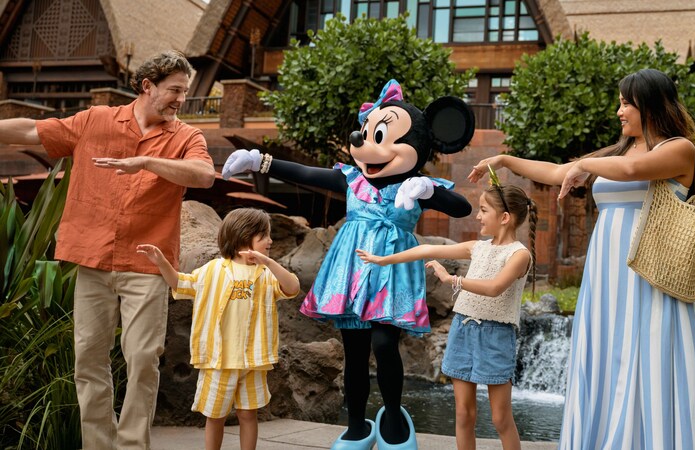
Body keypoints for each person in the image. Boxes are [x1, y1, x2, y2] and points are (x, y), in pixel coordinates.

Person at [469, 68, 695, 449]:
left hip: (649, 277)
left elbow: (631, 171)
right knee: (608, 361)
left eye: (627, 103)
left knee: (651, 359)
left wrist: (584, 165)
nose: (619, 111)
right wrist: (507, 160)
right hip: (605, 280)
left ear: (651, 105)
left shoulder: (679, 149)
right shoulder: (619, 150)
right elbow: (559, 171)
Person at [221, 79, 474, 449]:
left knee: (386, 343)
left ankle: (392, 419)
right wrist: (261, 160)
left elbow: (462, 207)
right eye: (367, 134)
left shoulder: (415, 186)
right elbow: (308, 175)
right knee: (354, 349)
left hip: (392, 269)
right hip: (352, 268)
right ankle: (357, 426)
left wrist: (428, 190)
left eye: (382, 136)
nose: (366, 144)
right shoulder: (352, 179)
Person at [0, 50, 215, 448]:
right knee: (88, 359)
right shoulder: (96, 120)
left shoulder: (187, 136)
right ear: (147, 86)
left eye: (185, 92)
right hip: (93, 258)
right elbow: (33, 131)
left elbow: (204, 175)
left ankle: (132, 445)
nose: (181, 100)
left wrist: (147, 161)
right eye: (175, 90)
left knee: (143, 358)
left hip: (147, 263)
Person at [357, 182, 536, 450]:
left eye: (484, 210)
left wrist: (452, 279)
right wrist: (383, 260)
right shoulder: (478, 246)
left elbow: (495, 288)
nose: (477, 215)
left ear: (505, 218)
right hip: (463, 329)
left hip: (496, 335)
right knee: (464, 413)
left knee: (500, 418)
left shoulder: (520, 255)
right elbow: (426, 249)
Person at [137, 208, 300, 450]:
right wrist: (162, 263)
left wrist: (268, 261)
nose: (270, 240)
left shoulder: (266, 274)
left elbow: (292, 287)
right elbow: (181, 283)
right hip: (217, 360)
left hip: (252, 361)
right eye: (264, 235)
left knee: (248, 415)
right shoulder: (213, 270)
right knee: (215, 416)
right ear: (244, 237)